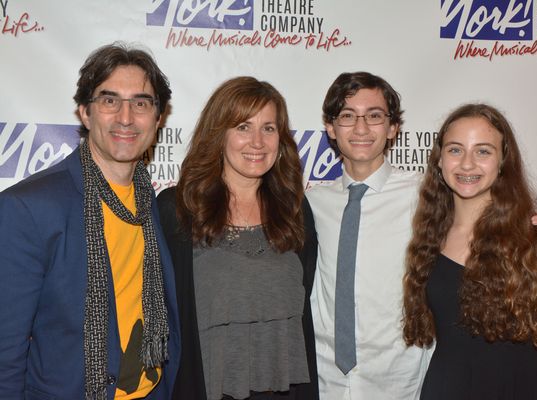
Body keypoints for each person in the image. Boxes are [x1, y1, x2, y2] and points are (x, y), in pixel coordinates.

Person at [305, 72, 537, 400]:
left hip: (405, 386)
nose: (361, 128)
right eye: (348, 116)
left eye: (375, 116)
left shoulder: (422, 194)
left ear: (394, 128)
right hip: (331, 384)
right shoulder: (309, 205)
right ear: (331, 128)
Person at [0, 43, 181, 400]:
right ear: (85, 112)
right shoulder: (28, 208)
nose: (126, 118)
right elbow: (6, 352)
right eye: (110, 101)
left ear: (158, 118)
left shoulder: (157, 206)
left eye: (141, 103)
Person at [402, 103, 537, 399]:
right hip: (445, 389)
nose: (467, 164)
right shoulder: (428, 237)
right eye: (455, 150)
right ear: (439, 160)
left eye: (483, 151)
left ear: (503, 163)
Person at [156, 76, 319, 400]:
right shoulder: (177, 209)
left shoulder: (295, 209)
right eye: (243, 126)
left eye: (268, 128)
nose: (257, 141)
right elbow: (162, 314)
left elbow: (304, 305)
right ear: (219, 134)